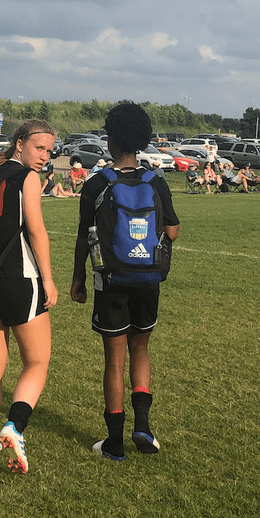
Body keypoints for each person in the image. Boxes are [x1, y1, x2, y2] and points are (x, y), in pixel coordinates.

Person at [70, 102, 180, 461]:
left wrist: (78, 281)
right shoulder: (156, 180)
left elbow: (84, 236)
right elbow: (174, 231)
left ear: (111, 139)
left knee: (113, 359)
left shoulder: (97, 182)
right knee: (142, 348)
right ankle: (143, 428)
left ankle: (114, 442)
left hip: (111, 278)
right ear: (143, 140)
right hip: (148, 277)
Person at [0, 119, 58, 474]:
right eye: (39, 148)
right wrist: (49, 280)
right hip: (20, 277)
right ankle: (15, 426)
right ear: (20, 144)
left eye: (50, 151)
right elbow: (36, 231)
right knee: (37, 361)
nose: (44, 157)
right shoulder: (27, 177)